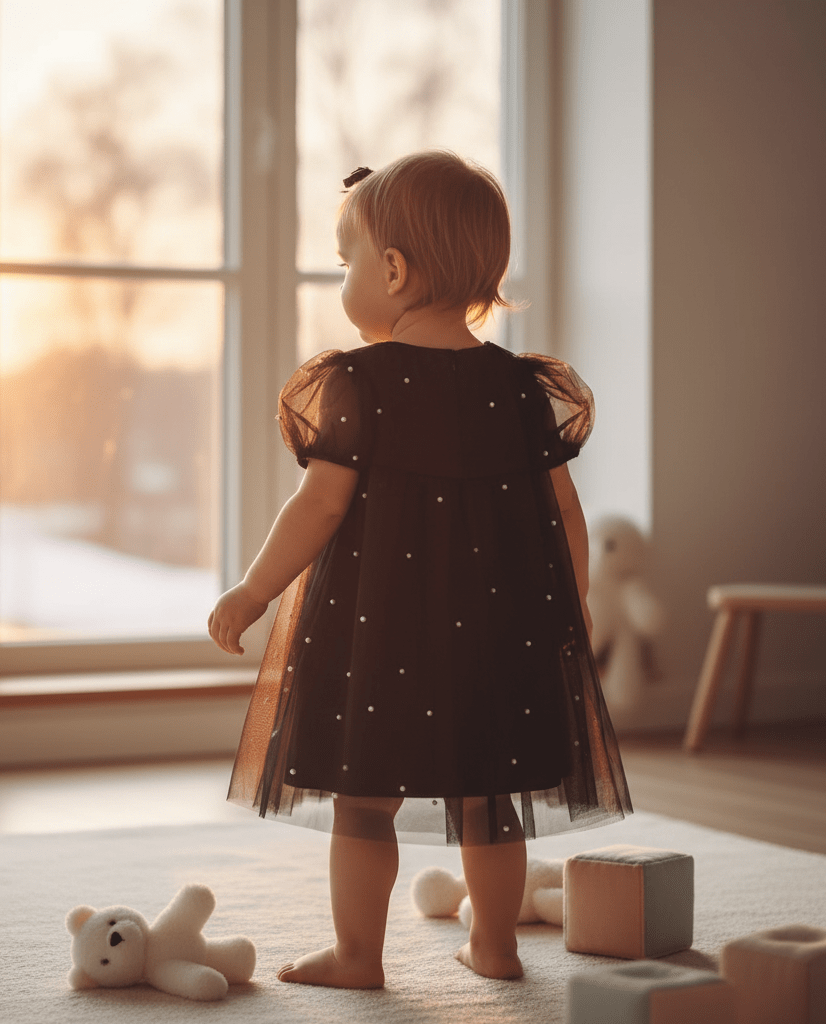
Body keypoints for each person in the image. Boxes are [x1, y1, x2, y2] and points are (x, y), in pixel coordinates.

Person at [208, 151, 631, 989]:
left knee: (365, 801)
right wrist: (573, 609)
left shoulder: (358, 383)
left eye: (345, 260)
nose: (343, 279)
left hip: (380, 633)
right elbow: (565, 514)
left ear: (393, 271)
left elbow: (318, 509)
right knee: (491, 794)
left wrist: (254, 590)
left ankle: (358, 957)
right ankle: (499, 947)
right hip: (500, 632)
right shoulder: (518, 389)